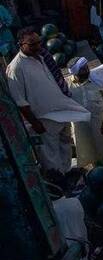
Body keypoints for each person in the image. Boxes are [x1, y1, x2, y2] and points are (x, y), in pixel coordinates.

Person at [7, 29, 89, 173]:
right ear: (21, 44)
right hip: (43, 119)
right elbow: (20, 102)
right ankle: (59, 182)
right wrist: (35, 123)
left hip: (61, 113)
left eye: (39, 42)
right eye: (32, 44)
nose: (38, 46)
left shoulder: (41, 57)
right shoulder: (15, 68)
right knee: (50, 156)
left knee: (65, 146)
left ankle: (67, 175)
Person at [67, 57, 103, 166]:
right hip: (80, 126)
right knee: (86, 150)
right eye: (82, 69)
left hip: (99, 123)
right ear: (75, 73)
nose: (86, 71)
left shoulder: (97, 82)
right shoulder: (66, 86)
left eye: (87, 67)